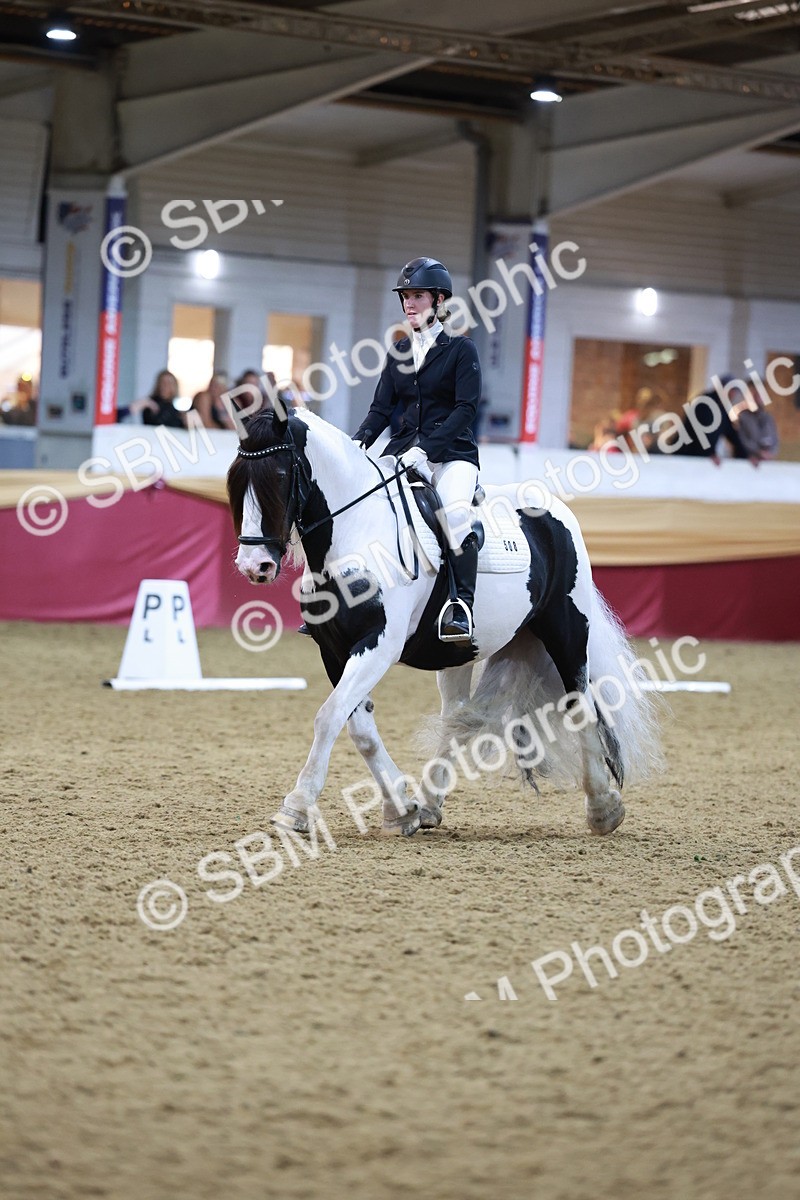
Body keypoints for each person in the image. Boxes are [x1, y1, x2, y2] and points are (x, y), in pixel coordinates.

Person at [353, 256, 482, 643]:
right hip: (403, 450)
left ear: (439, 300)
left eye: (418, 296)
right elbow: (381, 409)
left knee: (455, 517)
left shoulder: (461, 350)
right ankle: (351, 600)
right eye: (406, 296)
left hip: (453, 456)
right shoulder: (398, 352)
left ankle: (460, 607)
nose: (410, 303)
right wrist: (359, 442)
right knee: (364, 507)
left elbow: (466, 410)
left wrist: (427, 450)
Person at [730, 383, 779, 465]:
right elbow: (742, 439)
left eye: (760, 395)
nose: (758, 398)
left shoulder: (768, 418)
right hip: (748, 461)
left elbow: (775, 438)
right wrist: (758, 452)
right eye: (755, 395)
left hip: (767, 461)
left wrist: (770, 453)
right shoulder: (743, 417)